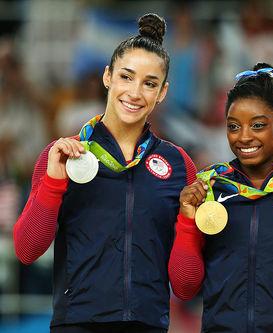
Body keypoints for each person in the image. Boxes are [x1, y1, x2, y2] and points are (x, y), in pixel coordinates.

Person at [13, 13, 197, 333]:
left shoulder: (179, 165)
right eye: (126, 77)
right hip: (78, 323)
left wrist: (188, 221)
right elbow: (27, 250)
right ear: (107, 76)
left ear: (163, 92)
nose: (135, 93)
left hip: (148, 323)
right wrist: (55, 182)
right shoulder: (64, 154)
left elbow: (185, 287)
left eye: (149, 83)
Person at [168, 63, 273, 332]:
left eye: (258, 125)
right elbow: (184, 286)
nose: (244, 137)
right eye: (234, 126)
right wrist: (187, 220)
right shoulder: (209, 188)